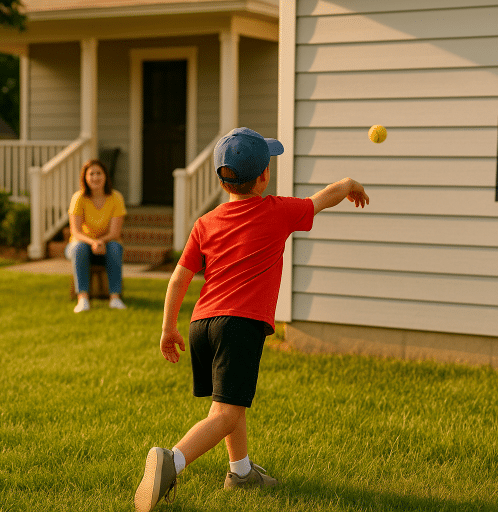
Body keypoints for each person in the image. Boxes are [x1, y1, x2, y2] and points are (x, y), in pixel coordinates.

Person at [134, 127, 369, 512]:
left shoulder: (205, 222)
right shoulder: (276, 210)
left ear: (221, 178)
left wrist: (167, 327)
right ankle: (171, 460)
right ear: (264, 175)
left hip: (201, 324)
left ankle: (241, 473)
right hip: (239, 325)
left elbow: (179, 277)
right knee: (226, 412)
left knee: (230, 403)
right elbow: (320, 200)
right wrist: (347, 182)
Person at [66, 159, 127, 313]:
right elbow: (76, 231)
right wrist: (93, 242)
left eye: (98, 173)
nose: (95, 177)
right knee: (79, 247)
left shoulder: (116, 198)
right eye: (91, 174)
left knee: (114, 246)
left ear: (105, 176)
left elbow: (114, 233)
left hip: (107, 244)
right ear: (85, 178)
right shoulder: (78, 198)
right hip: (81, 244)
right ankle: (83, 299)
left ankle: (115, 298)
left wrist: (100, 242)